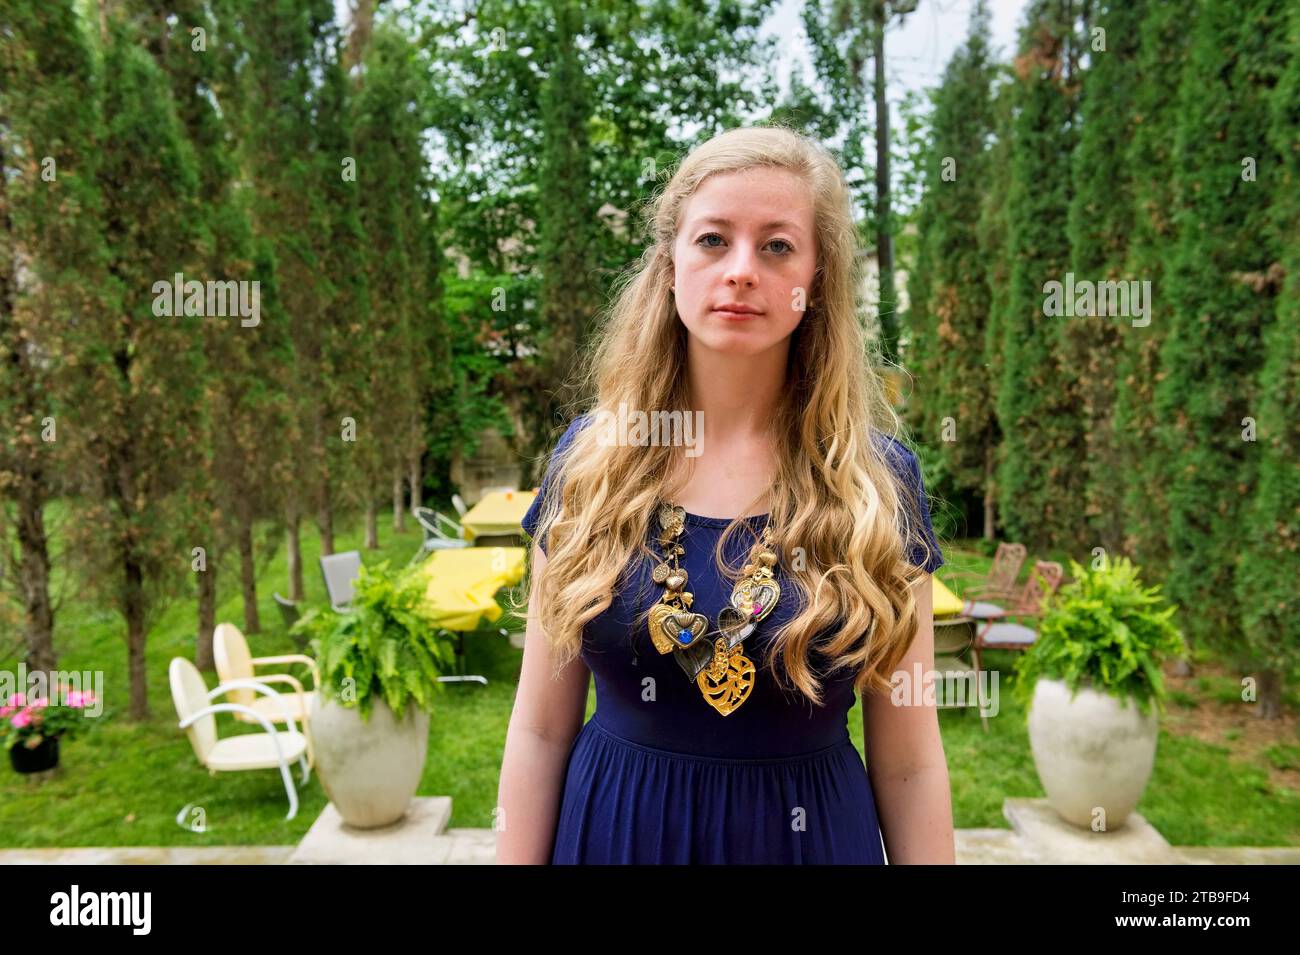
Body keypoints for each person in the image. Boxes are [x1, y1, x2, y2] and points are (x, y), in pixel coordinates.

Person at [496, 125, 955, 864]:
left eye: (777, 246)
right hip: (615, 837)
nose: (741, 270)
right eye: (713, 239)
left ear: (817, 282)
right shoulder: (589, 463)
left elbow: (909, 761)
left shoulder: (878, 484)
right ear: (671, 267)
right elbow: (540, 728)